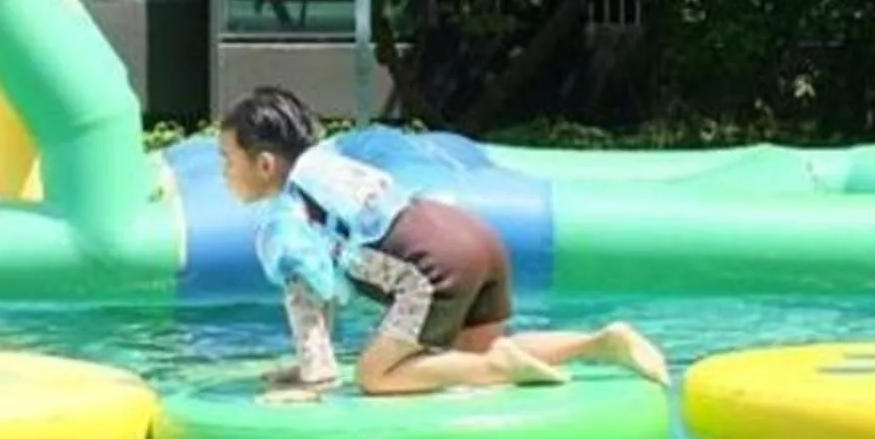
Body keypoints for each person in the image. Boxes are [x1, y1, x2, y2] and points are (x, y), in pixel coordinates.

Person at [215, 85, 670, 400]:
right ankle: (603, 341)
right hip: (475, 237)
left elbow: (306, 297)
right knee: (468, 360)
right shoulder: (331, 160)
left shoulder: (285, 218)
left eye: (226, 158)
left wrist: (314, 378)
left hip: (433, 269)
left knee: (376, 376)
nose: (222, 172)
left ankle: (503, 367)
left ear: (266, 165)